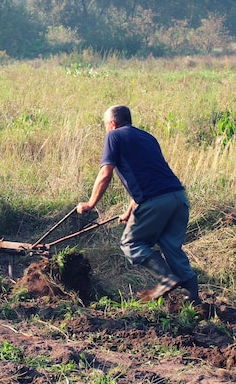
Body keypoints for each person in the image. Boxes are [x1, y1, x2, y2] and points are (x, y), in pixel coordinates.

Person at [76, 105, 201, 305]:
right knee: (171, 247)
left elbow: (105, 174)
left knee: (131, 243)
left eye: (106, 125)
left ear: (112, 123)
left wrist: (90, 203)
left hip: (156, 201)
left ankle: (167, 279)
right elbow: (151, 176)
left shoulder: (114, 136)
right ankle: (194, 303)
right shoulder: (147, 137)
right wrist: (128, 212)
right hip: (178, 197)